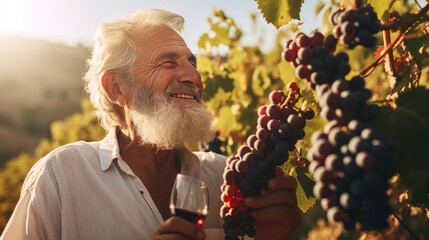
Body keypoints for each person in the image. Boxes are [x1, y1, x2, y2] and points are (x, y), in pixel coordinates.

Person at [0, 9, 302, 240]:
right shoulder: (61, 176)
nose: (193, 77)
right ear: (117, 89)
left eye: (192, 63)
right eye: (168, 62)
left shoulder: (225, 178)